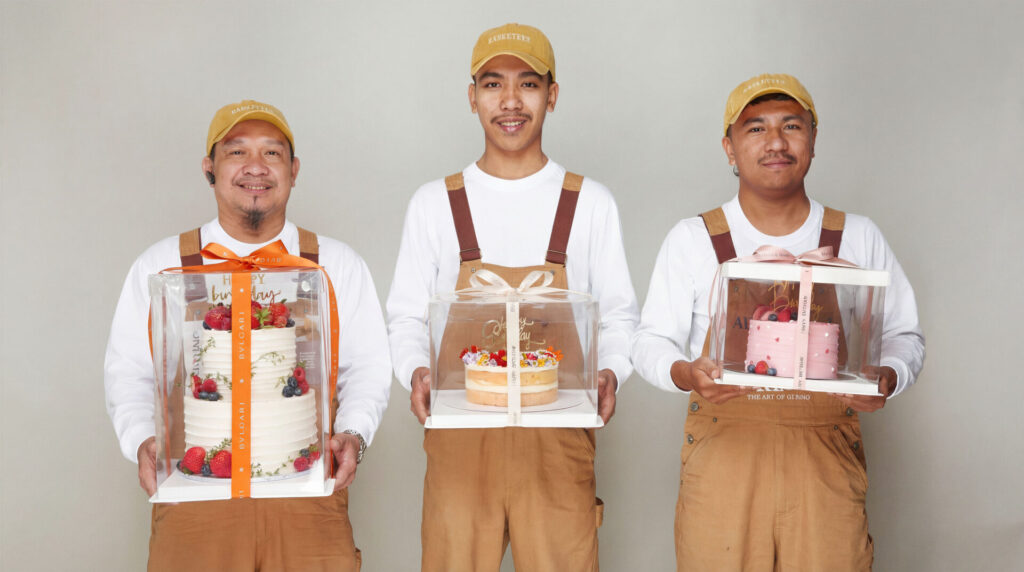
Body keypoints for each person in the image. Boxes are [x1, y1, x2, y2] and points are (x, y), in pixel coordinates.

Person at [632, 73, 925, 571]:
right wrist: (686, 373)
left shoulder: (857, 234)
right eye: (755, 128)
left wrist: (888, 378)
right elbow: (650, 341)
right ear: (728, 147)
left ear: (813, 140)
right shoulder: (694, 238)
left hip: (825, 463)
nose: (775, 142)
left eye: (791, 125)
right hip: (725, 458)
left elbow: (904, 335)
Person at [386, 23, 639, 572]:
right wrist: (416, 372)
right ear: (471, 96)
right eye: (493, 83)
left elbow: (619, 314)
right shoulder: (434, 202)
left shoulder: (589, 202)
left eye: (527, 84)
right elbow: (405, 315)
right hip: (458, 434)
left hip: (559, 433)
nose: (510, 101)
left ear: (552, 95)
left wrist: (610, 371)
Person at [104, 100, 391, 571]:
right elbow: (129, 372)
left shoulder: (337, 263)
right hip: (194, 496)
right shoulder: (160, 265)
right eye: (237, 152)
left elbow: (368, 368)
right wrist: (142, 442)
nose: (255, 167)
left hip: (308, 497)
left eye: (272, 154)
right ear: (209, 169)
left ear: (294, 170)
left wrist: (353, 435)